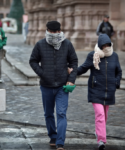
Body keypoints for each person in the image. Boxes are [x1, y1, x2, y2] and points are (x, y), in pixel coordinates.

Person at [29, 21, 78, 150]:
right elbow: (33, 60)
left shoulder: (67, 44)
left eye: (56, 32)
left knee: (61, 113)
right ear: (48, 31)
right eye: (51, 32)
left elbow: (74, 62)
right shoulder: (40, 44)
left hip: (62, 86)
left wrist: (71, 79)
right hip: (46, 85)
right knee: (48, 114)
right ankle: (53, 136)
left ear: (59, 31)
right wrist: (42, 73)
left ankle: (60, 142)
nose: (54, 34)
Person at [68, 34, 122, 150]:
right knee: (100, 115)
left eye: (108, 45)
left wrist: (116, 82)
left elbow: (119, 72)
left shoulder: (114, 56)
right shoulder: (93, 55)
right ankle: (101, 140)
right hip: (96, 90)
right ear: (100, 45)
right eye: (104, 45)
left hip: (109, 91)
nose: (106, 47)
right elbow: (83, 68)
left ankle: (98, 132)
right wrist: (72, 72)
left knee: (104, 116)